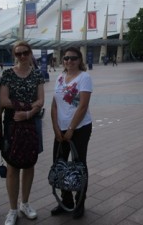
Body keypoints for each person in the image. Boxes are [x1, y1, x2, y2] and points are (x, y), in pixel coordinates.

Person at [0, 41, 44, 225]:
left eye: (25, 52)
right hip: (12, 124)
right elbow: (3, 100)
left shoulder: (37, 74)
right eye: (18, 54)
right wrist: (27, 107)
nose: (22, 56)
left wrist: (28, 112)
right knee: (12, 166)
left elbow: (40, 100)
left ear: (30, 53)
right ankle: (12, 209)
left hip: (32, 123)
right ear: (14, 55)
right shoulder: (8, 74)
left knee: (29, 163)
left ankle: (24, 203)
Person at [50, 47, 93, 219]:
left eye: (73, 58)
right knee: (59, 163)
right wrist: (55, 128)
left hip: (79, 128)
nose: (69, 61)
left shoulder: (84, 77)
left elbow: (83, 106)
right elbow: (54, 104)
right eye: (66, 58)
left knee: (79, 165)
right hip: (60, 129)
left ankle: (79, 203)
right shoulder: (60, 78)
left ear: (79, 60)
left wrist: (71, 129)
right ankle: (65, 200)